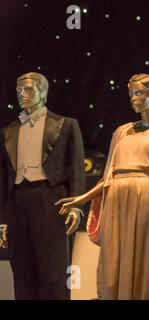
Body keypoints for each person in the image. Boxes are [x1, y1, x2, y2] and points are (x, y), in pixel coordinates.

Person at [57, 74, 149, 300]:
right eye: (131, 94)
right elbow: (108, 177)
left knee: (143, 257)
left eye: (139, 93)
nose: (133, 98)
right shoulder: (121, 131)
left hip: (145, 199)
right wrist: (82, 198)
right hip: (115, 201)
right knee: (114, 258)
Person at [0, 72, 85, 299]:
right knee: (22, 269)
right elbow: (2, 179)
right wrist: (3, 219)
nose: (21, 94)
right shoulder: (8, 132)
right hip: (18, 200)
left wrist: (76, 205)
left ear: (43, 92)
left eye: (28, 89)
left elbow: (75, 166)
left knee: (54, 270)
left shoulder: (65, 125)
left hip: (51, 198)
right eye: (19, 90)